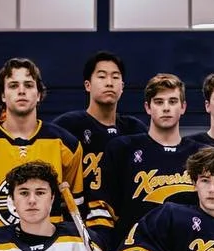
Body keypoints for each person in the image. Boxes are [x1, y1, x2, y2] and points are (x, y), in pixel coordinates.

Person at [0, 57, 83, 251]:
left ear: (38, 94)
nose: (21, 91)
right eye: (13, 85)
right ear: (3, 96)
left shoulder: (66, 144)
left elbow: (74, 209)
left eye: (28, 85)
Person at [85, 73, 203, 251]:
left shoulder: (201, 155)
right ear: (148, 107)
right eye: (159, 102)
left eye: (172, 102)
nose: (166, 108)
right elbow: (102, 209)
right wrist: (103, 249)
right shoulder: (122, 149)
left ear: (183, 107)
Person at [52, 51, 145, 196]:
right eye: (101, 76)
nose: (109, 83)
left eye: (115, 77)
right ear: (87, 85)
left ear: (122, 86)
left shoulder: (136, 129)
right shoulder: (67, 126)